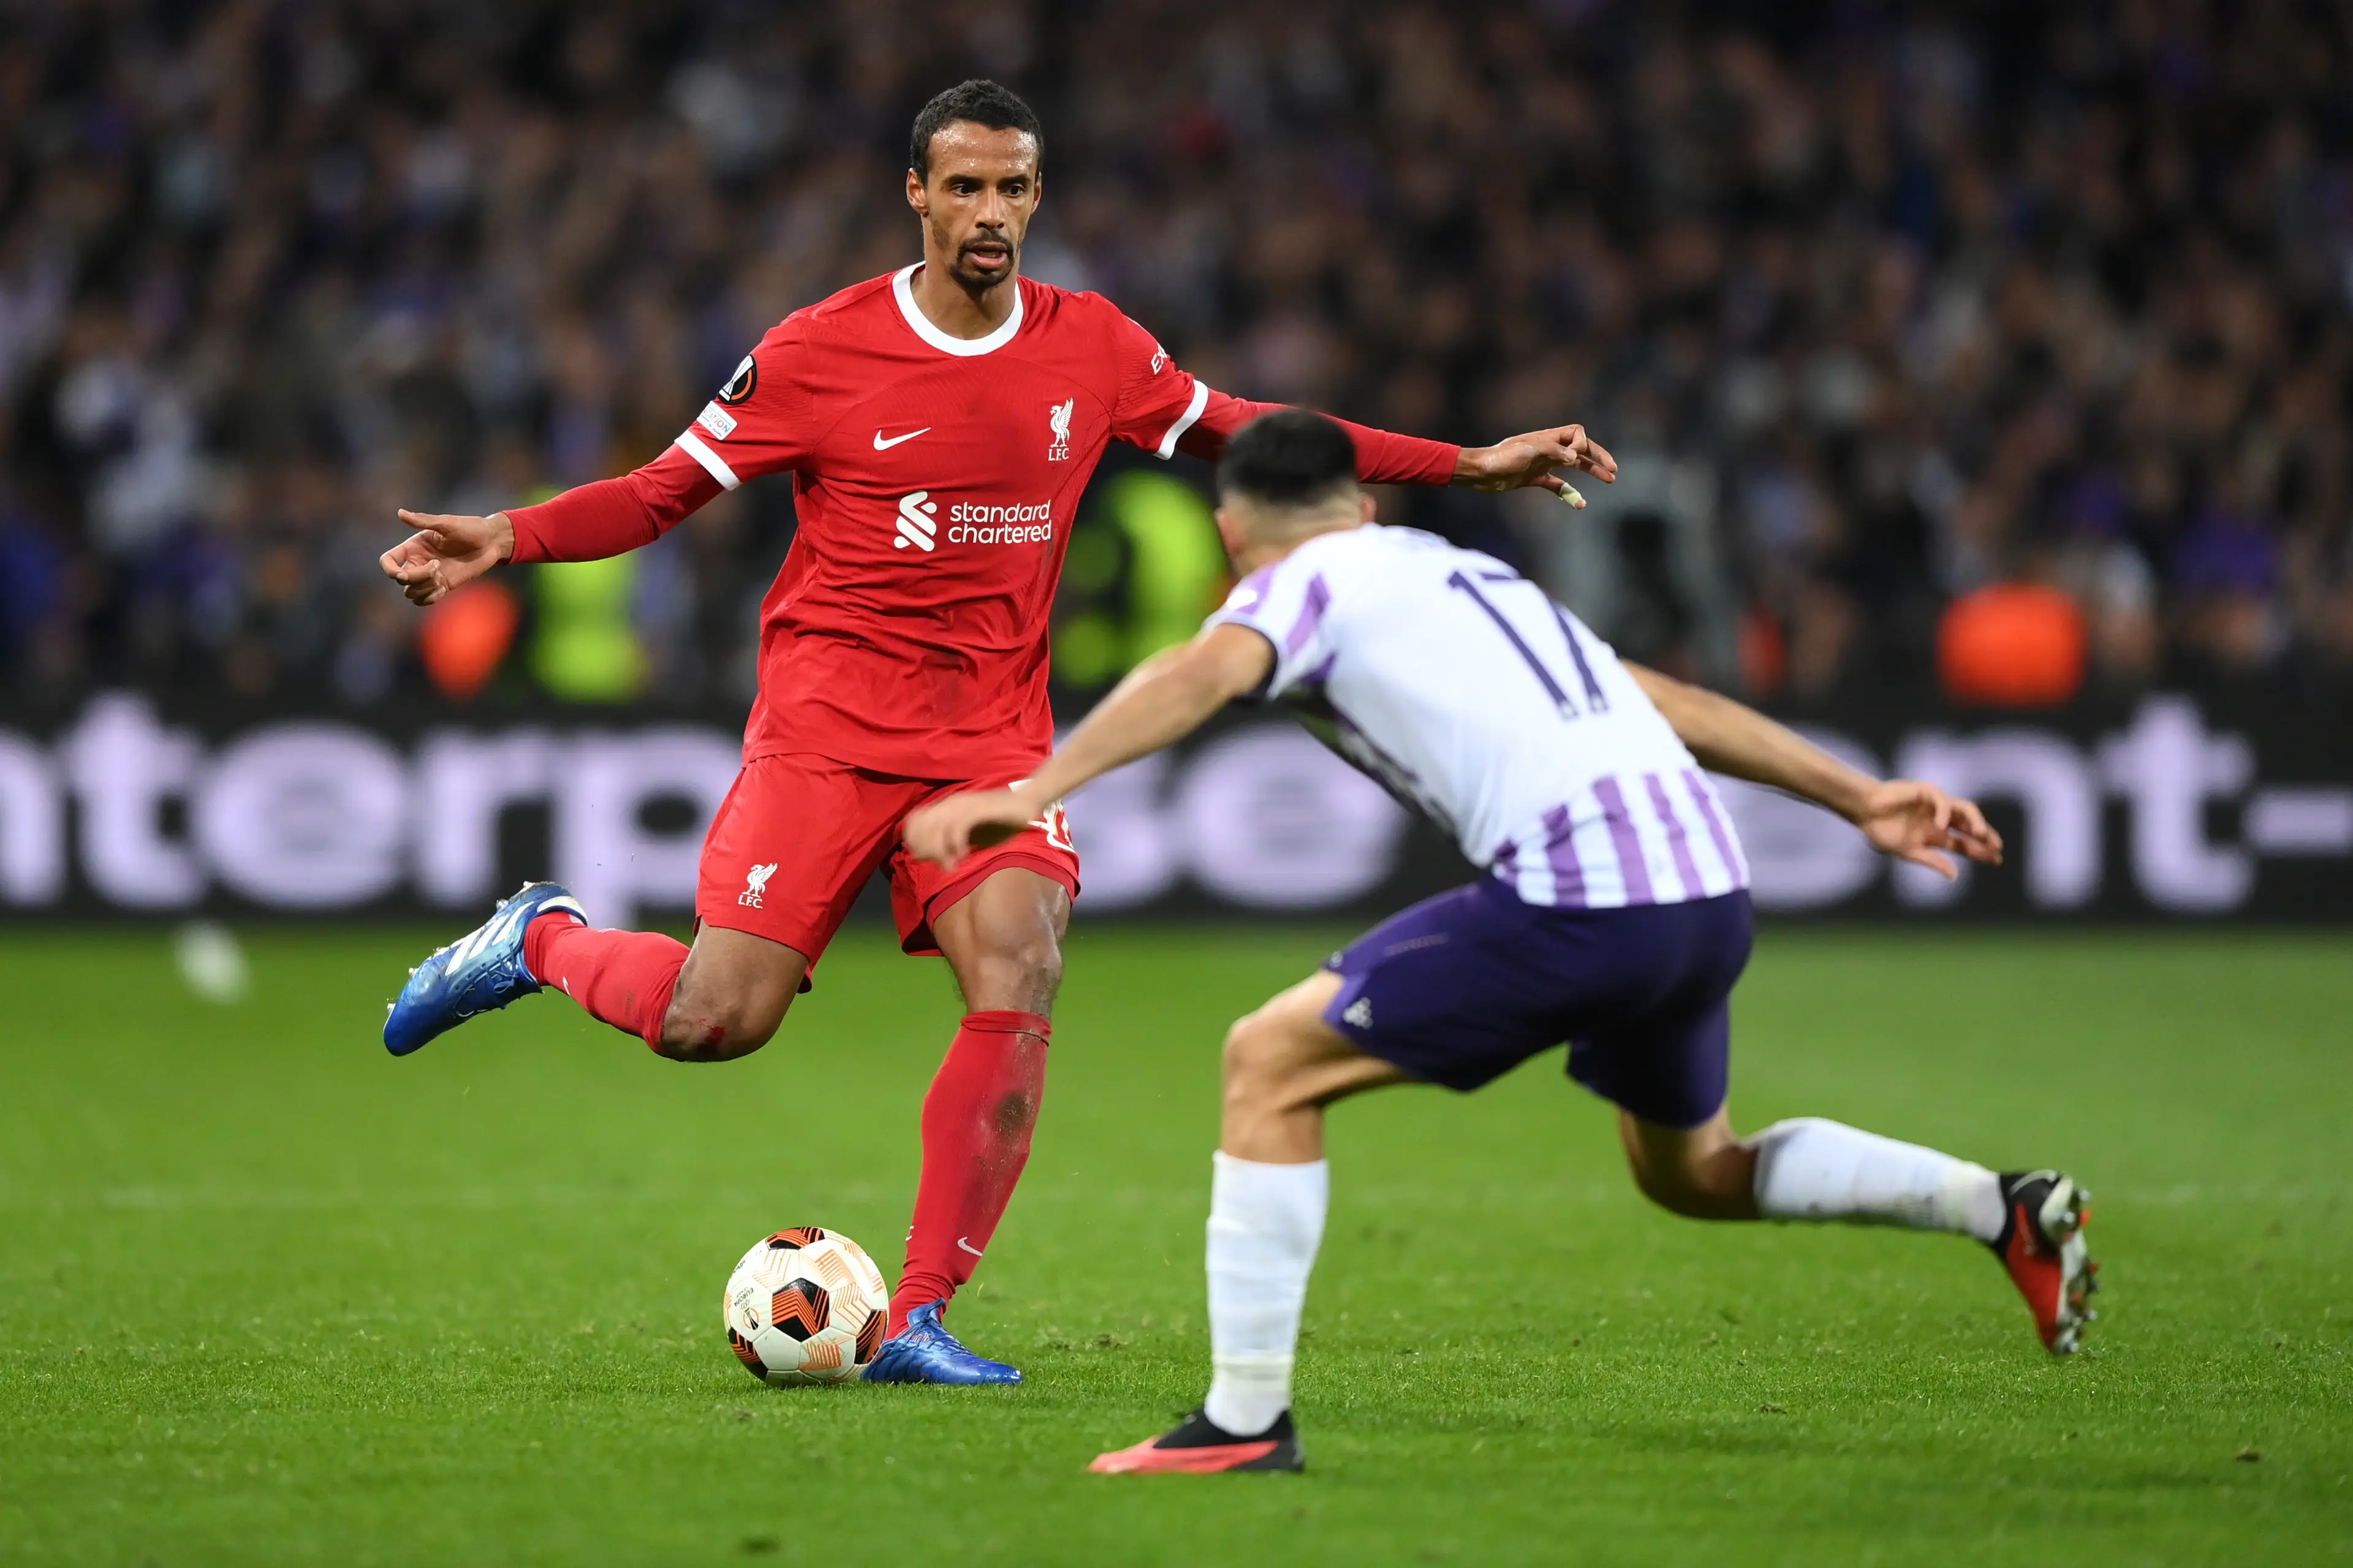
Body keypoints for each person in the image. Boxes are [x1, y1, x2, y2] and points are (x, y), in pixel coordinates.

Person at [374, 81, 1618, 1385]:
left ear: (1038, 196)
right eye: (963, 187)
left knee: (1020, 970)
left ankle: (916, 1314)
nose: (988, 213)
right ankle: (542, 938)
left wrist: (1466, 463)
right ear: (915, 194)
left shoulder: (1093, 348)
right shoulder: (817, 350)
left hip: (990, 743)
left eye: (1012, 188)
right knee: (713, 1022)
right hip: (827, 730)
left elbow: (1254, 430)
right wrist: (507, 536)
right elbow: (664, 489)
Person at [904, 409, 2097, 1470]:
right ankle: (2002, 1207)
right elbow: (1654, 696)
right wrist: (1856, 793)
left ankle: (1243, 1421)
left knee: (1266, 1061)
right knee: (1693, 1171)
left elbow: (1199, 670)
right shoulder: (1462, 571)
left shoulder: (1293, 583)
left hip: (1588, 895)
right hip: (1706, 889)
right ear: (1363, 505)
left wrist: (1032, 787)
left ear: (1233, 531)